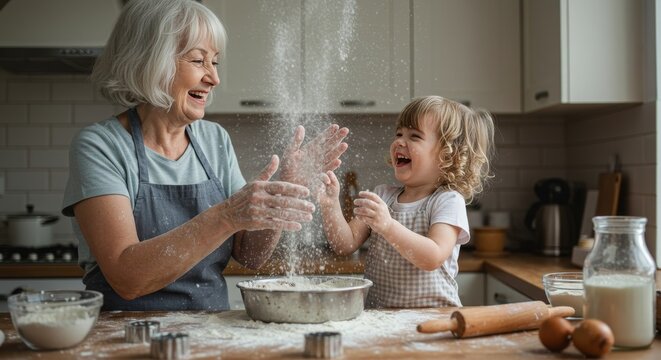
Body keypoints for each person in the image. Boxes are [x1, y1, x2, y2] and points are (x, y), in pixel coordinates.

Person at [62, 0, 348, 311]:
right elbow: (127, 278)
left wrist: (279, 196)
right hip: (126, 336)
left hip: (209, 334)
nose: (214, 79)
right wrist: (226, 216)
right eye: (199, 61)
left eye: (215, 62)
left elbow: (250, 256)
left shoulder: (214, 140)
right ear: (151, 62)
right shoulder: (101, 146)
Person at [316, 96, 494, 308]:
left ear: (448, 155)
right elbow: (344, 244)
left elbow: (433, 257)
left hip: (433, 318)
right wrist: (330, 206)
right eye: (399, 133)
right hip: (381, 318)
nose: (400, 141)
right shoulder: (383, 196)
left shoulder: (447, 201)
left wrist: (388, 226)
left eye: (415, 136)